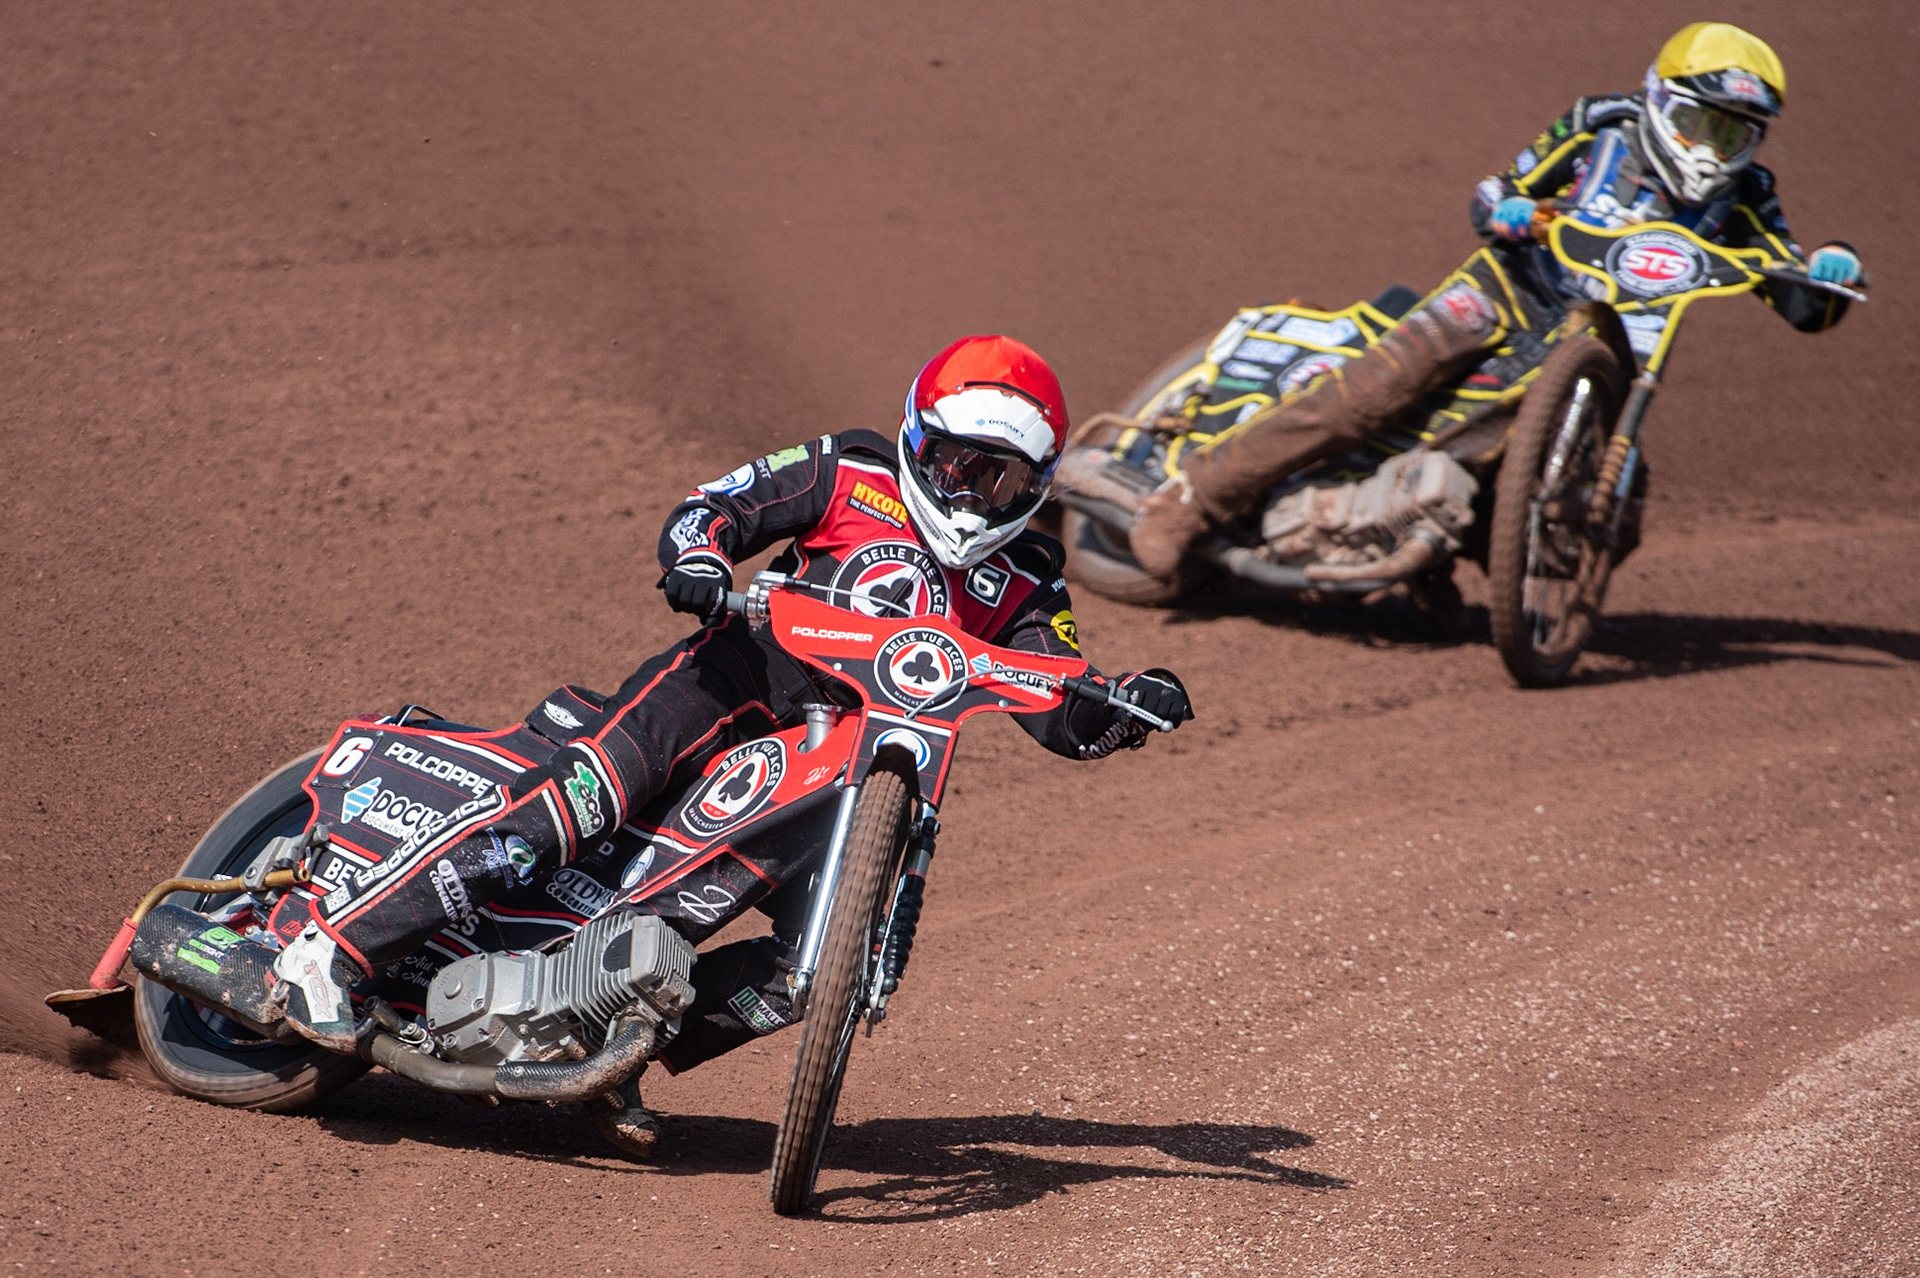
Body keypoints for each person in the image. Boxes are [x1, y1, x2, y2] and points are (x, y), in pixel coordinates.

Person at [261, 335, 1193, 1089]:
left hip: (857, 769)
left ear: (1036, 484)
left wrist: (1125, 705)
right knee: (575, 806)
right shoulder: (849, 469)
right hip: (730, 684)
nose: (969, 491)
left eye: (998, 478)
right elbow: (716, 505)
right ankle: (331, 955)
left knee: (810, 971)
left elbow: (1058, 700)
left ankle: (608, 1052)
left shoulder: (1030, 574)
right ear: (917, 438)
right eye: (956, 463)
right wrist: (701, 561)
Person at [1128, 22, 1866, 581]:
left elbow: (1798, 295)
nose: (1712, 146)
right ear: (1658, 100)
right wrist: (1510, 212)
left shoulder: (1749, 195)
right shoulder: (1599, 127)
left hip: (1609, 344)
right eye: (1700, 121)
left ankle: (1422, 554)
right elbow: (1497, 190)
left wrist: (1828, 274)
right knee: (1374, 390)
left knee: (1583, 487)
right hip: (1509, 290)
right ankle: (1194, 499)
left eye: (1735, 132)